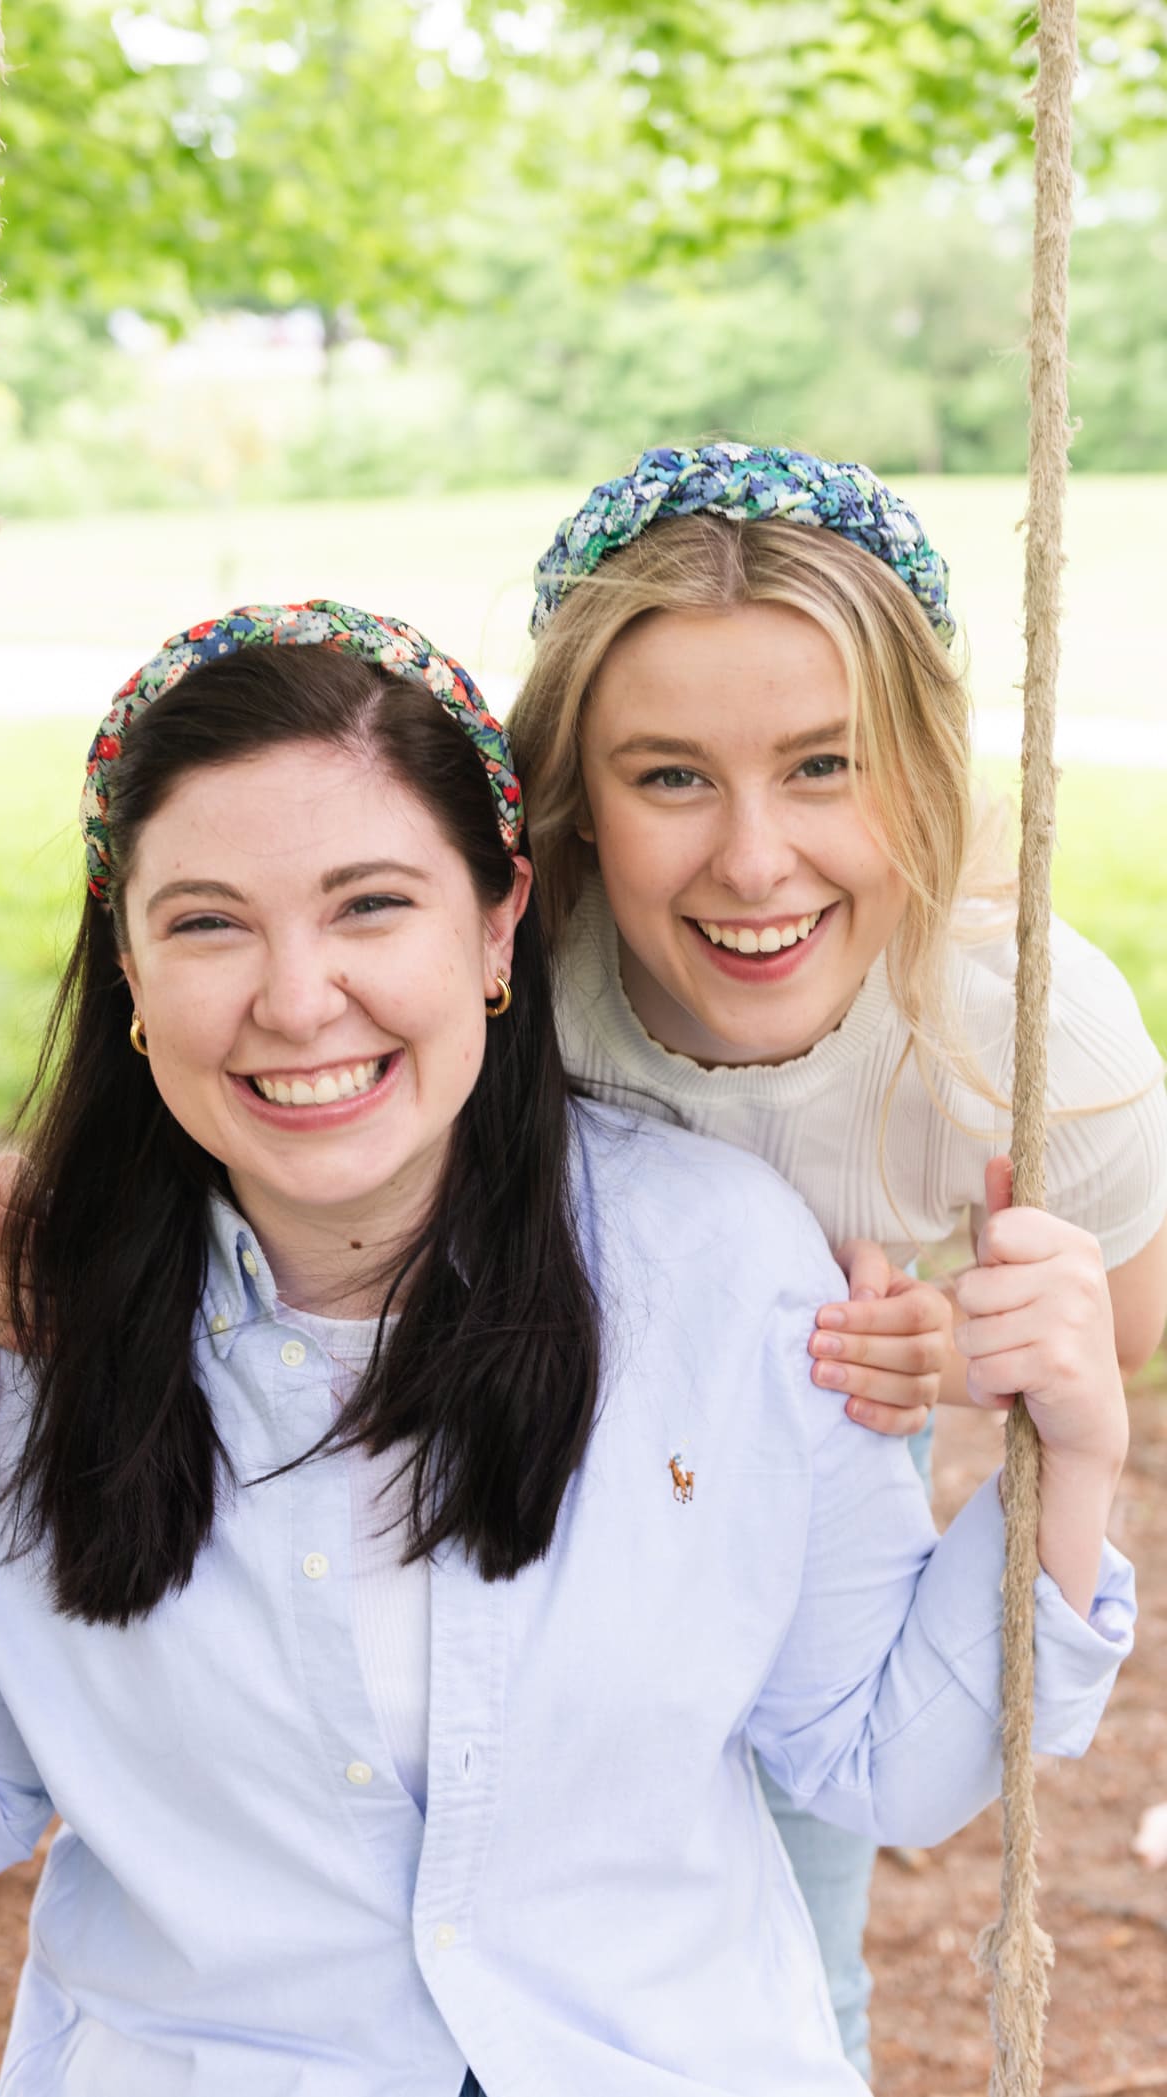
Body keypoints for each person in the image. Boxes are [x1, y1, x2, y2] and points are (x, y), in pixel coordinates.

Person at [0, 599, 1140, 2095]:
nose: (298, 1001)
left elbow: (886, 1757)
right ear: (132, 976)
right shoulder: (28, 1320)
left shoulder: (722, 1266)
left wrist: (1072, 1457)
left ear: (497, 929)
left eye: (370, 906)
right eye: (210, 921)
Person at [507, 443, 1167, 2075]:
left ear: (928, 773)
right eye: (669, 777)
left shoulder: (1020, 1022)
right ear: (575, 796)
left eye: (824, 766)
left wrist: (949, 1339)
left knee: (791, 1959)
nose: (752, 860)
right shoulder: (522, 981)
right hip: (532, 1533)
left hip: (795, 1566)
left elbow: (1127, 1316)